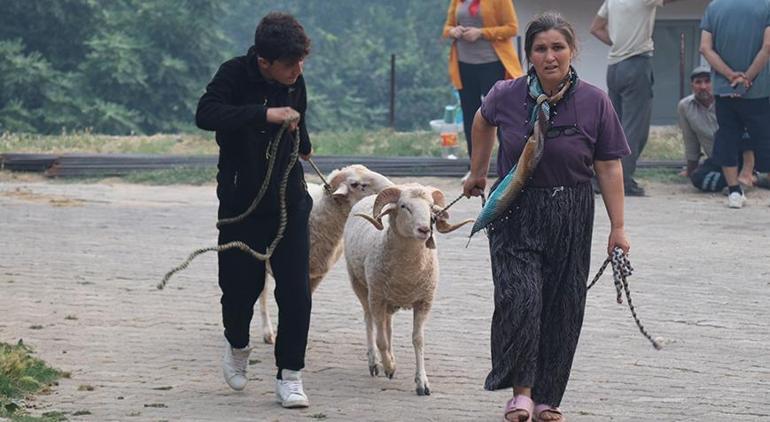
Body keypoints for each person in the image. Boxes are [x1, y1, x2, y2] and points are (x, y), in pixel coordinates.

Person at [462, 12, 630, 422]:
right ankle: (521, 393)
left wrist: (618, 228)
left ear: (572, 51)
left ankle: (547, 398)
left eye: (558, 47)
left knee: (563, 305)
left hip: (571, 211)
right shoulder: (506, 94)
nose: (550, 56)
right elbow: (482, 121)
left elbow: (608, 166)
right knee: (521, 300)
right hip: (515, 209)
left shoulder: (594, 101)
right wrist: (478, 170)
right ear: (529, 54)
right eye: (541, 48)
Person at [195, 12, 313, 408]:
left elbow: (303, 132)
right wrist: (263, 115)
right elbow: (206, 114)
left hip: (289, 201)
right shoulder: (233, 75)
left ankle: (290, 374)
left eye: (301, 62)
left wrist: (302, 138)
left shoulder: (295, 82)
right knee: (239, 290)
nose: (297, 70)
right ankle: (238, 344)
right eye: (289, 64)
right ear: (264, 62)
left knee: (296, 290)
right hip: (241, 204)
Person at [590, 0, 686, 196]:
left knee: (613, 128)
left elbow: (596, 28)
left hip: (614, 66)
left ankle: (600, 177)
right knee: (635, 128)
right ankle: (622, 180)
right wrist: (631, 45)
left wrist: (618, 43)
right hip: (635, 63)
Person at [443, 0, 524, 181]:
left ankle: (509, 168)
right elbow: (447, 27)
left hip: (492, 64)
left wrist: (481, 33)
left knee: (501, 115)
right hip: (464, 65)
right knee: (470, 116)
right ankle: (475, 169)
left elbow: (511, 28)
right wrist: (453, 31)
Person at [700, 0, 770, 208]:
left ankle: (734, 192)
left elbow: (705, 48)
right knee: (765, 138)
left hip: (724, 89)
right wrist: (747, 77)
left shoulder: (714, 7)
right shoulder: (766, 5)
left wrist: (730, 75)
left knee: (728, 137)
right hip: (759, 89)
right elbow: (768, 45)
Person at [678, 65, 757, 192]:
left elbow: (748, 133)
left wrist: (747, 168)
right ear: (692, 86)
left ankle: (747, 175)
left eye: (707, 81)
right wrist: (691, 171)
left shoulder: (730, 99)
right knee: (697, 178)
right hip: (717, 160)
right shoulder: (685, 106)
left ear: (714, 83)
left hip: (742, 156)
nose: (703, 86)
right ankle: (743, 181)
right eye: (698, 82)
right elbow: (690, 140)